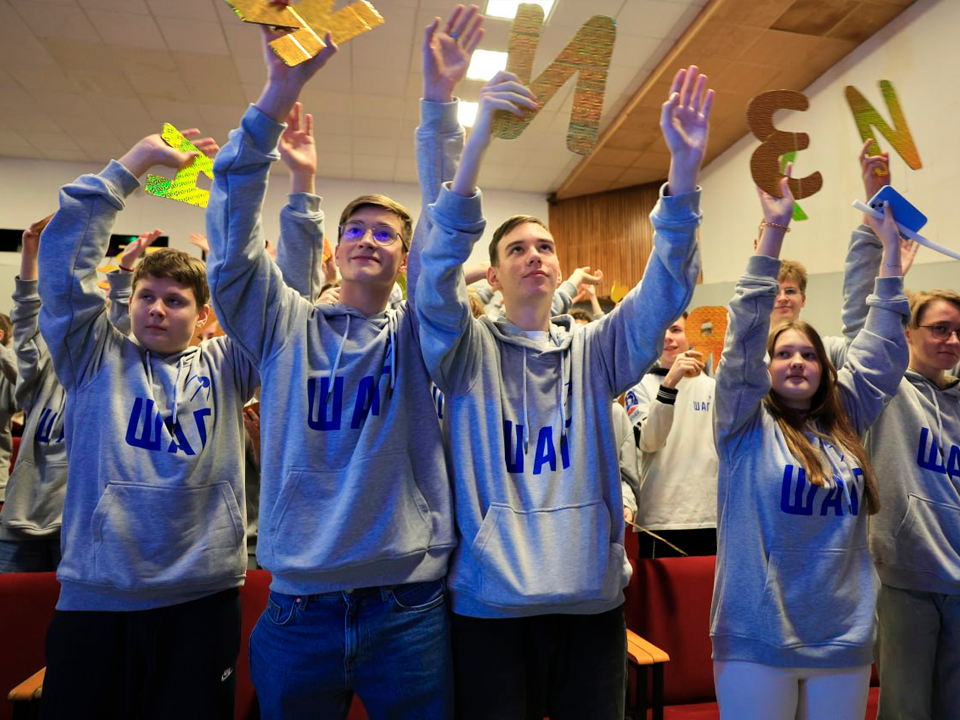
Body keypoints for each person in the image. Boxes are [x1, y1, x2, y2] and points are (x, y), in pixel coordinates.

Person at [204, 5, 484, 717]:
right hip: (301, 605)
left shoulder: (421, 328)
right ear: (335, 249)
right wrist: (275, 98)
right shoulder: (283, 325)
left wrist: (440, 103)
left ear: (403, 256)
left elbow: (449, 231)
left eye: (385, 233)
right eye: (354, 228)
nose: (367, 239)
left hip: (409, 605)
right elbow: (233, 246)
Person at [416, 64, 711, 719]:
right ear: (494, 273)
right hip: (492, 603)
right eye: (517, 248)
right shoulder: (464, 353)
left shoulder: (596, 349)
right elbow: (433, 271)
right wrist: (476, 139)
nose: (535, 255)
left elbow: (665, 289)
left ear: (557, 267)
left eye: (544, 246)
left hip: (589, 601)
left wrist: (685, 175)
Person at [36, 129, 258, 719]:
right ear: (128, 300)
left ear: (202, 312)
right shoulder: (91, 357)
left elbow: (265, 303)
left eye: (176, 299)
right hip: (97, 597)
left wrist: (233, 196)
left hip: (203, 598)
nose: (158, 308)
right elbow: (62, 272)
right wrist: (134, 164)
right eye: (147, 296)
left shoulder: (230, 363)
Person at [710, 169, 909, 720]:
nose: (797, 361)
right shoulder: (742, 424)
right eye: (783, 354)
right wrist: (774, 233)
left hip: (841, 637)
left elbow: (883, 352)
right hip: (758, 637)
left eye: (809, 354)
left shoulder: (850, 419)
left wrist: (890, 256)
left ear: (825, 369)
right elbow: (743, 335)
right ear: (765, 367)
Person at [840, 141, 960, 720]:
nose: (952, 340)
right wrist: (872, 220)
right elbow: (863, 315)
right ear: (908, 334)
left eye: (959, 331)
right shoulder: (885, 389)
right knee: (908, 710)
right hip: (904, 577)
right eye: (938, 328)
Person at [625, 311, 718, 557]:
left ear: (691, 336)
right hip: (660, 520)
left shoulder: (715, 388)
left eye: (676, 330)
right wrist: (669, 384)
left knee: (706, 596)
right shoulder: (639, 386)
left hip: (710, 517)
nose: (668, 337)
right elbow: (649, 441)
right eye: (662, 330)